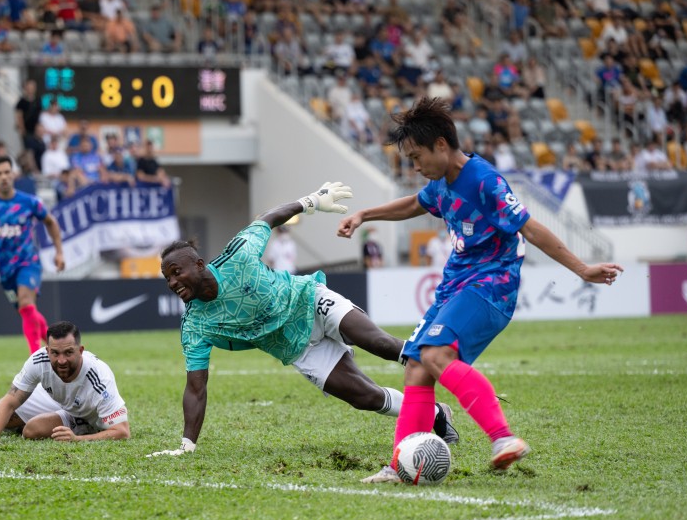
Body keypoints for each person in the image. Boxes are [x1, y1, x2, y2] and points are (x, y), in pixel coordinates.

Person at [334, 97, 623, 482]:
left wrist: (583, 268)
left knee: (435, 355)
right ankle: (399, 465)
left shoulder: (484, 181)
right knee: (417, 368)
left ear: (441, 144)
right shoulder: (439, 184)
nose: (415, 167)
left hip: (491, 284)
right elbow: (414, 205)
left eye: (417, 157)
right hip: (455, 286)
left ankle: (502, 438)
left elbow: (531, 228)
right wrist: (365, 214)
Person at [149, 181, 458, 458]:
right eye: (167, 278)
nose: (173, 282)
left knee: (379, 342)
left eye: (177, 273)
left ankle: (453, 373)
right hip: (297, 347)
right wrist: (187, 446)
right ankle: (435, 415)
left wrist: (312, 201)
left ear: (200, 264)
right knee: (365, 397)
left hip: (309, 301)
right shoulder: (194, 326)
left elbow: (267, 219)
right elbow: (195, 388)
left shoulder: (238, 256)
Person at [0, 156, 66, 354]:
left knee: (27, 304)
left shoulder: (29, 202)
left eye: (6, 172)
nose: (3, 177)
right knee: (27, 310)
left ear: (14, 174)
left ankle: (35, 358)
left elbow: (51, 222)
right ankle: (54, 345)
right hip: (5, 269)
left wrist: (59, 252)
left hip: (28, 263)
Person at [0, 321, 130, 444]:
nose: (62, 360)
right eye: (55, 353)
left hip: (84, 415)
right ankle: (48, 419)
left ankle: (80, 427)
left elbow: (122, 431)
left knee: (32, 430)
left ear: (81, 350)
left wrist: (77, 439)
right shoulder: (39, 360)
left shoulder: (99, 377)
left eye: (68, 352)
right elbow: (10, 400)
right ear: (47, 350)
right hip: (59, 400)